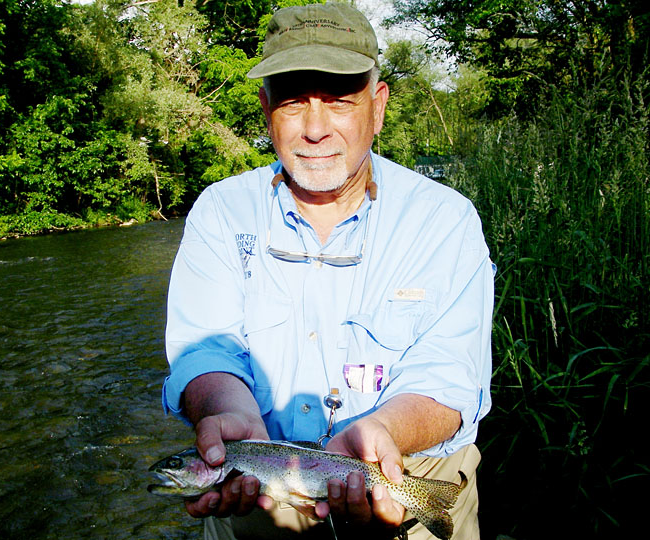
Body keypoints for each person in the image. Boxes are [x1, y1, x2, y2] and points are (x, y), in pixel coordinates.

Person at [161, 3, 494, 539]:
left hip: (407, 483)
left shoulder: (445, 219)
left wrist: (382, 430)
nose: (315, 129)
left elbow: (451, 375)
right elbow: (206, 349)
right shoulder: (221, 212)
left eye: (339, 101)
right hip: (260, 504)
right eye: (294, 102)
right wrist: (226, 412)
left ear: (378, 106)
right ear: (266, 107)